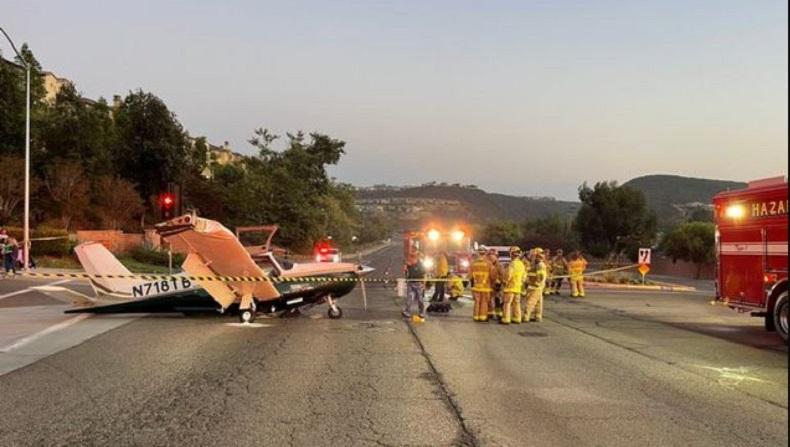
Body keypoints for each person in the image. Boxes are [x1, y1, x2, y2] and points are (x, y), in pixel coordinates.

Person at [501, 246, 526, 324]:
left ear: (511, 254)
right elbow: (524, 276)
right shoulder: (521, 264)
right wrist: (520, 283)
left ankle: (506, 319)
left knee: (507, 303)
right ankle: (517, 318)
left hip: (510, 288)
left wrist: (504, 282)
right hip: (517, 287)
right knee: (517, 303)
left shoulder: (512, 264)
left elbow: (508, 275)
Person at [524, 248, 548, 322]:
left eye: (533, 255)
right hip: (538, 286)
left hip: (535, 286)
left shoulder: (540, 265)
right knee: (538, 302)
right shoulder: (537, 264)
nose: (532, 257)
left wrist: (534, 283)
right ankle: (537, 316)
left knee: (530, 301)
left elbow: (540, 277)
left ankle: (526, 317)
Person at [470, 248, 494, 321]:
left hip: (476, 286)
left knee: (477, 302)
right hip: (486, 287)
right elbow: (492, 275)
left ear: (478, 253)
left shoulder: (473, 263)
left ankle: (476, 317)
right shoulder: (489, 263)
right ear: (485, 253)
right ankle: (482, 317)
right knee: (484, 302)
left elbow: (470, 276)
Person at [403, 252, 427, 322]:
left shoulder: (420, 265)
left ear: (415, 259)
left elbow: (425, 275)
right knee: (409, 298)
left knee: (420, 299)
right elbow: (406, 272)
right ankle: (407, 312)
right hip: (410, 283)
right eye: (409, 260)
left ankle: (421, 312)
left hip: (418, 284)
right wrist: (405, 268)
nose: (409, 261)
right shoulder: (409, 265)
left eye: (411, 260)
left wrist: (424, 284)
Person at [487, 249, 505, 320]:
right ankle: (490, 314)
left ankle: (499, 315)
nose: (491, 257)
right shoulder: (487, 264)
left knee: (497, 301)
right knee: (489, 301)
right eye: (489, 256)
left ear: (496, 257)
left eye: (492, 256)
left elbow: (503, 275)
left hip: (497, 286)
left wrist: (499, 284)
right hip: (488, 286)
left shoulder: (499, 266)